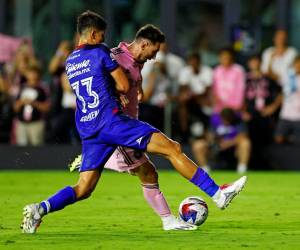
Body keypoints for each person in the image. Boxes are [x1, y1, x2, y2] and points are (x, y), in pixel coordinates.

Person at [21, 10, 247, 234]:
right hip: (114, 124)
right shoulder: (105, 53)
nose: (103, 39)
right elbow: (121, 84)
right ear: (91, 34)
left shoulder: (71, 60)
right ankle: (218, 195)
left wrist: (132, 88)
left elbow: (86, 86)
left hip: (90, 128)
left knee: (85, 188)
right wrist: (124, 90)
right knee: (172, 149)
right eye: (101, 34)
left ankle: (39, 209)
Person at [192, 108, 251, 174]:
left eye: (229, 119)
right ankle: (205, 170)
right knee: (198, 144)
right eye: (225, 119)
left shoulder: (238, 121)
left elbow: (243, 135)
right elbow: (209, 136)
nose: (227, 121)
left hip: (233, 148)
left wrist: (229, 143)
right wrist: (215, 141)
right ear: (221, 117)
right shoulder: (214, 120)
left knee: (245, 143)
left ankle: (242, 169)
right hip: (216, 147)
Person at [274, 56, 300, 145]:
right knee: (278, 139)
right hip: (285, 115)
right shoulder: (287, 76)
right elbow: (281, 92)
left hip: (298, 117)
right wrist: (274, 106)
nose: (298, 66)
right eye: (297, 63)